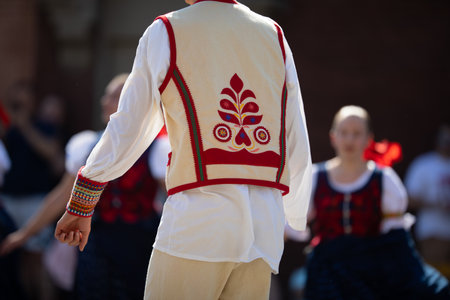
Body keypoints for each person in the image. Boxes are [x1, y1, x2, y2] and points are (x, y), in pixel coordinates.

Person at [54, 0, 312, 299]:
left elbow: (130, 125)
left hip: (199, 213)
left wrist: (83, 201)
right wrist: (294, 212)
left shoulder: (167, 29)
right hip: (263, 221)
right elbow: (294, 126)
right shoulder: (272, 33)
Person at [0, 74, 170, 300]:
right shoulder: (88, 144)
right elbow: (63, 195)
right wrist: (24, 234)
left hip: (138, 244)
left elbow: (174, 197)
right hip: (95, 244)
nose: (106, 100)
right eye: (107, 95)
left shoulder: (156, 148)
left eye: (116, 95)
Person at [303, 105, 449, 299]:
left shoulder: (384, 179)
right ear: (333, 136)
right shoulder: (314, 177)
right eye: (344, 132)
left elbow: (396, 238)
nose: (349, 139)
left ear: (368, 139)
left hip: (371, 273)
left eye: (356, 133)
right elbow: (296, 224)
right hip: (327, 273)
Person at [0, 80, 65, 300]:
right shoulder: (8, 127)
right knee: (16, 261)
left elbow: (50, 151)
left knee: (38, 260)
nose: (21, 98)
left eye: (25, 93)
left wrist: (25, 125)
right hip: (8, 200)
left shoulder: (42, 125)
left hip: (35, 203)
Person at [405, 124, 450, 279]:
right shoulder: (423, 165)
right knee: (436, 277)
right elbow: (408, 199)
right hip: (433, 232)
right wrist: (436, 203)